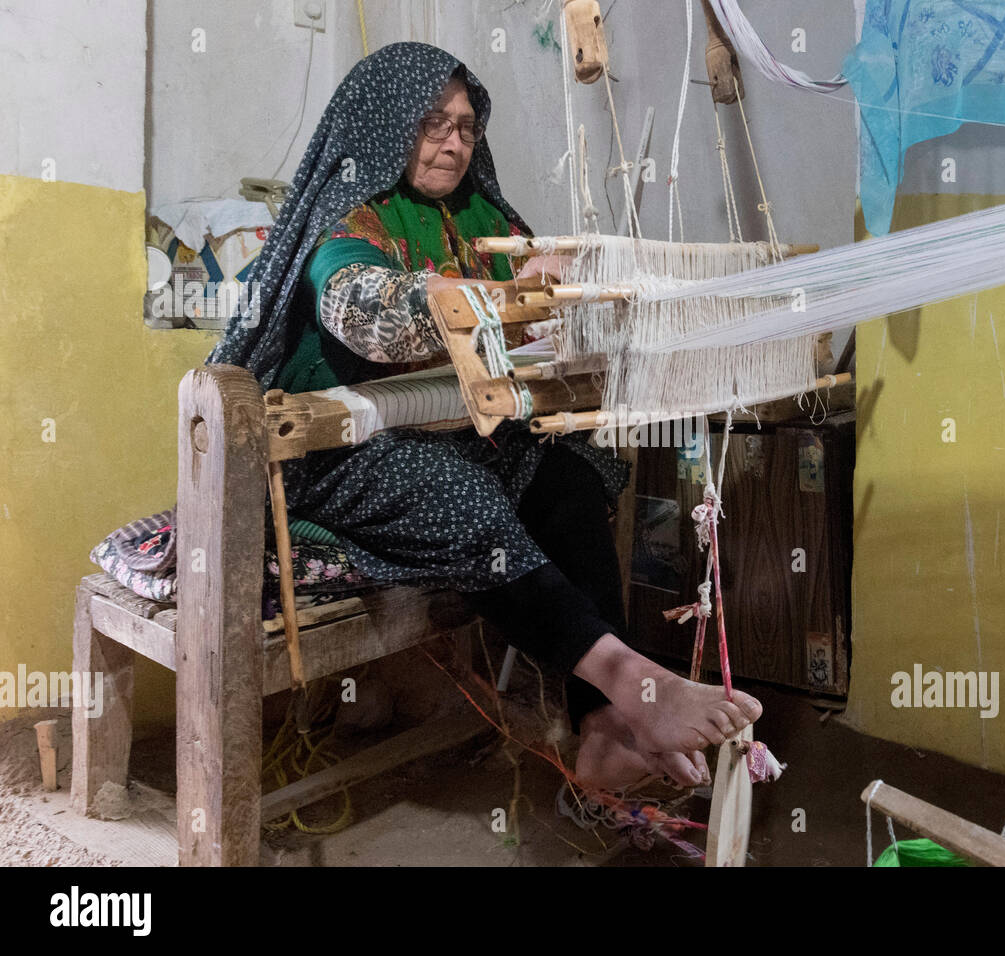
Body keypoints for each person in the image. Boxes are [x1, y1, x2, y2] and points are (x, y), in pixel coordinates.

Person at [205, 42, 761, 791]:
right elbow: (374, 322)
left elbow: (546, 306)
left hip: (446, 437)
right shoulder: (349, 219)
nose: (453, 140)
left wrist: (581, 288)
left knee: (567, 478)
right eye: (433, 122)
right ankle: (637, 684)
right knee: (463, 497)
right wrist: (510, 297)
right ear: (386, 127)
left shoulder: (477, 216)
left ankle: (600, 726)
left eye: (467, 126)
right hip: (329, 454)